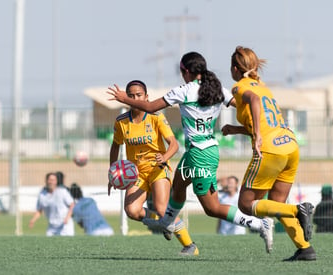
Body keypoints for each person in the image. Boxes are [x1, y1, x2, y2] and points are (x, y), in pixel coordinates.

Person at [107, 52, 273, 254]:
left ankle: (258, 224)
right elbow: (243, 104)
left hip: (201, 155)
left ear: (185, 71)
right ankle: (168, 223)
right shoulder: (218, 88)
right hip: (199, 151)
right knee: (178, 186)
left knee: (212, 208)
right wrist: (251, 126)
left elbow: (151, 107)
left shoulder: (184, 91)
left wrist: (124, 99)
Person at [220, 46, 316, 261]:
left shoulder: (239, 87)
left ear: (235, 68)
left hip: (270, 150)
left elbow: (253, 102)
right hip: (289, 146)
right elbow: (265, 121)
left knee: (245, 205)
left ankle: (298, 210)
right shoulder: (264, 87)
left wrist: (256, 136)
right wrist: (236, 129)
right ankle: (305, 249)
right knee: (276, 204)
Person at [108, 80, 198, 255]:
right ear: (126, 97)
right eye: (131, 95)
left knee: (162, 208)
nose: (135, 98)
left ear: (146, 97)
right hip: (136, 173)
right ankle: (164, 223)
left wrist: (164, 157)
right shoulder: (121, 122)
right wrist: (112, 173)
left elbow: (174, 144)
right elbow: (115, 146)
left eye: (139, 95)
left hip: (158, 169)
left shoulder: (156, 117)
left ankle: (190, 246)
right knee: (132, 211)